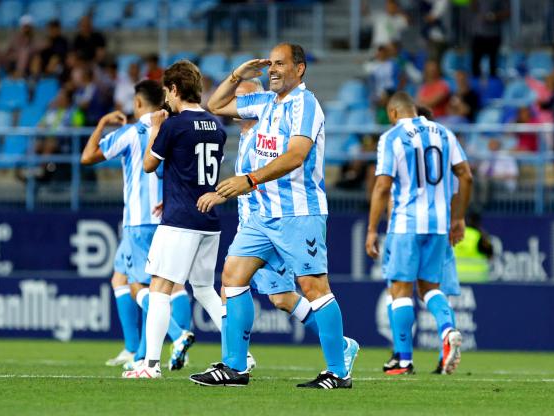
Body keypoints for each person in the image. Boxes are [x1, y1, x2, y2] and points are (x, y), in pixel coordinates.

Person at [189, 43, 352, 389]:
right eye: (271, 64)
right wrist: (237, 75)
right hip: (263, 215)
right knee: (232, 277)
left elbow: (296, 155)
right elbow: (215, 105)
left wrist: (248, 179)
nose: (274, 69)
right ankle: (235, 368)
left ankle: (338, 371)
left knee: (313, 287)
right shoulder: (264, 103)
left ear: (300, 69)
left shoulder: (306, 105)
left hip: (298, 212)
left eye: (281, 64)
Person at [122, 61, 227, 379]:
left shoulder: (174, 125)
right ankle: (240, 352)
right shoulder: (217, 125)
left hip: (180, 219)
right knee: (205, 289)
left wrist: (155, 129)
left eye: (167, 90)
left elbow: (149, 165)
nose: (165, 96)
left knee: (158, 288)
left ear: (175, 89)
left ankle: (149, 366)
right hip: (209, 219)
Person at [80, 80, 193, 369]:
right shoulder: (175, 128)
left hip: (139, 222)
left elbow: (88, 157)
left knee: (140, 286)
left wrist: (103, 123)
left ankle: (176, 337)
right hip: (169, 217)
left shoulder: (132, 132)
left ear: (139, 103)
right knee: (132, 279)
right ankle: (137, 351)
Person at [365, 92, 473, 375]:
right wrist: (459, 217)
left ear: (393, 113)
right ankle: (448, 332)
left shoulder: (392, 137)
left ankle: (402, 359)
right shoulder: (444, 132)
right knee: (430, 289)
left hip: (406, 222)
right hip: (439, 224)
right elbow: (466, 175)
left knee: (399, 290)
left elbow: (382, 187)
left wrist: (371, 229)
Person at [470, 0, 510, 77]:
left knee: (493, 63)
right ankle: (476, 83)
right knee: (475, 63)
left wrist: (493, 16)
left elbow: (507, 12)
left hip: (493, 35)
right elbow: (473, 8)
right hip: (479, 34)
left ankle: (492, 84)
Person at [454, 212, 493, 283]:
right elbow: (490, 255)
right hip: (477, 278)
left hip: (457, 277)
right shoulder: (480, 236)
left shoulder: (454, 234)